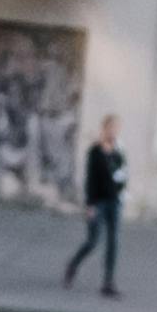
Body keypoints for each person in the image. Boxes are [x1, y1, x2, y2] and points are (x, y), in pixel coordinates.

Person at [65, 114, 127, 296]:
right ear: (104, 128)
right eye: (111, 128)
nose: (114, 131)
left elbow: (122, 174)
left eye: (117, 128)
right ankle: (73, 265)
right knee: (93, 241)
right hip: (98, 203)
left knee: (113, 242)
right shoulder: (95, 151)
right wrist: (90, 205)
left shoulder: (118, 152)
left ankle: (108, 282)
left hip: (114, 203)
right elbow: (90, 180)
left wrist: (121, 192)